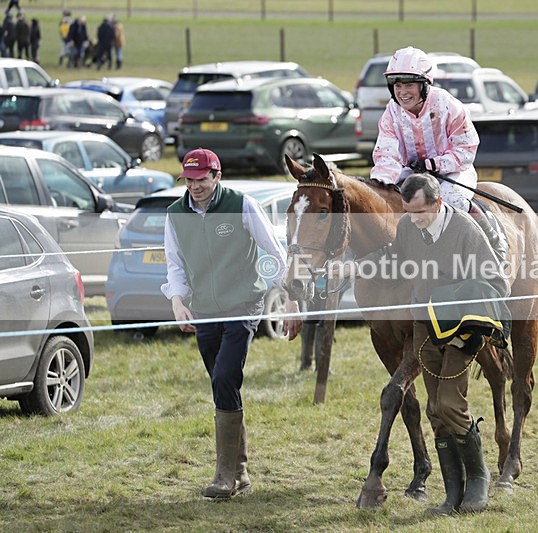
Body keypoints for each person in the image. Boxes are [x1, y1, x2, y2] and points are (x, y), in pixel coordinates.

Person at [335, 173, 510, 514]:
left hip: (461, 331)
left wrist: (451, 300)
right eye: (407, 212)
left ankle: (479, 478)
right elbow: (397, 258)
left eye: (420, 213)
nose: (413, 220)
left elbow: (497, 282)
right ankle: (452, 493)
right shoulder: (407, 227)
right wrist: (353, 268)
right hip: (424, 328)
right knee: (434, 411)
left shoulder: (465, 230)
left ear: (438, 203)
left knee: (448, 403)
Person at [161, 148, 302, 499]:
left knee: (225, 376)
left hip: (243, 304)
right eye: (189, 181)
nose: (195, 187)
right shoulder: (175, 214)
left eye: (202, 180)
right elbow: (175, 264)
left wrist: (291, 301)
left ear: (217, 176)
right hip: (204, 309)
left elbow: (273, 252)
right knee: (221, 384)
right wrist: (178, 302)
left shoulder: (242, 205)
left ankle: (224, 475)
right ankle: (239, 473)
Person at [370, 46, 506, 259]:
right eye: (397, 85)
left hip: (453, 171)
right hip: (412, 174)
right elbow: (386, 154)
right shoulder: (391, 111)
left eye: (409, 85)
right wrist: (380, 184)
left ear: (424, 85)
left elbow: (466, 148)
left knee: (453, 201)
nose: (402, 92)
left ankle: (495, 243)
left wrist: (434, 164)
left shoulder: (448, 104)